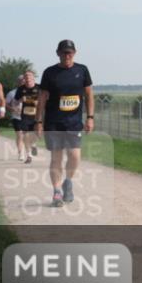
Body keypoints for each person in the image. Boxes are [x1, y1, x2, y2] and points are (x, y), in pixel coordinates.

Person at [36, 40, 94, 207]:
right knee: (56, 158)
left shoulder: (82, 70)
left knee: (75, 156)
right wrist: (38, 121)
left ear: (74, 53)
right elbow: (42, 98)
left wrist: (90, 117)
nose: (67, 55)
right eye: (64, 52)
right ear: (58, 53)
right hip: (53, 122)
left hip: (74, 122)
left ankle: (68, 182)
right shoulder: (49, 72)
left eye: (70, 52)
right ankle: (56, 192)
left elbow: (89, 95)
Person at [14, 70, 41, 164]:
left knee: (37, 134)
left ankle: (33, 144)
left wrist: (39, 103)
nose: (28, 78)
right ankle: (29, 155)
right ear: (24, 79)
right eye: (26, 76)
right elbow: (15, 101)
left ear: (33, 78)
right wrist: (21, 100)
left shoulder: (39, 88)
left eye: (29, 76)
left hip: (37, 115)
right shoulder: (21, 89)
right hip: (25, 115)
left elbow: (46, 99)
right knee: (25, 136)